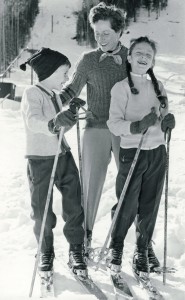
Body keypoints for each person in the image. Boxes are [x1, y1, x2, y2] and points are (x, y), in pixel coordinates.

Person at [59, 1, 127, 249]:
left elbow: (146, 92)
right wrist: (52, 101)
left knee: (130, 184)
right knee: (90, 184)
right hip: (95, 127)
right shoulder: (88, 59)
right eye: (96, 33)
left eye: (106, 33)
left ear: (119, 31)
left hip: (125, 130)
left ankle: (121, 237)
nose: (101, 38)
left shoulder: (132, 58)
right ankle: (85, 235)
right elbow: (72, 88)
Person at [107, 36, 175, 277]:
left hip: (157, 152)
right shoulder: (121, 88)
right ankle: (116, 246)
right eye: (140, 53)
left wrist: (168, 121)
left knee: (149, 204)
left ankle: (142, 249)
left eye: (149, 54)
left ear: (153, 61)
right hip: (132, 151)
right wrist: (136, 126)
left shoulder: (158, 87)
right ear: (130, 57)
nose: (144, 57)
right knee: (127, 201)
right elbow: (114, 124)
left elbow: (164, 113)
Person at [20, 47, 88, 277]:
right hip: (40, 160)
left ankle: (76, 248)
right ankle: (45, 250)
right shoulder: (32, 93)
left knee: (74, 203)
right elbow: (35, 122)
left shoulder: (56, 96)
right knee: (42, 210)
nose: (66, 79)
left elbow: (60, 125)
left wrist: (70, 111)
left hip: (62, 156)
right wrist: (54, 122)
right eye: (64, 74)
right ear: (49, 72)